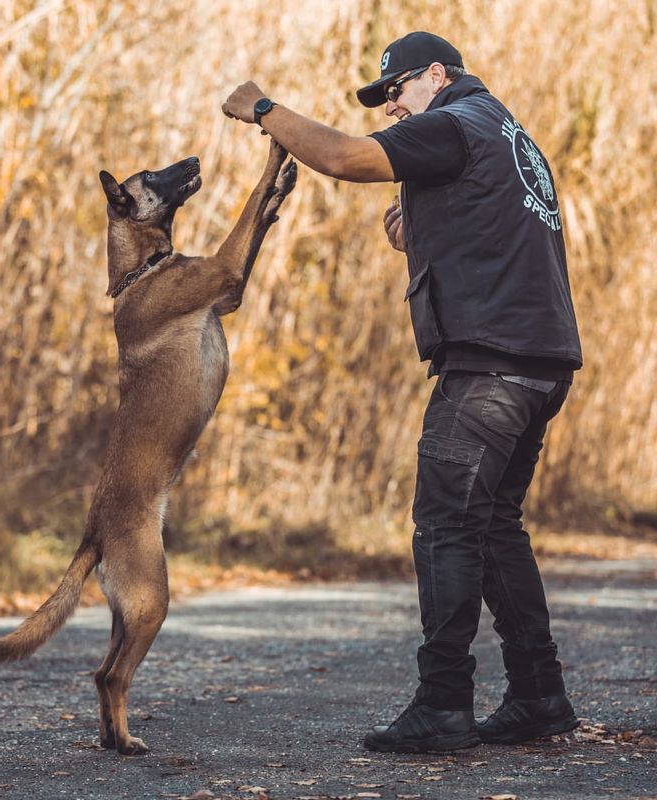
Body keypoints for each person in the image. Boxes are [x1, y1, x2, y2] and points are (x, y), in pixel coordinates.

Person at [222, 31, 583, 753]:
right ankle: (539, 696)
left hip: (489, 367)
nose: (392, 108)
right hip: (539, 363)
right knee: (494, 528)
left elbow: (344, 157)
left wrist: (264, 109)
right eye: (385, 99)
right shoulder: (507, 133)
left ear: (437, 75)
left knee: (447, 527)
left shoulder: (451, 121)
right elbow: (492, 228)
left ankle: (443, 703)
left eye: (397, 91)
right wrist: (421, 226)